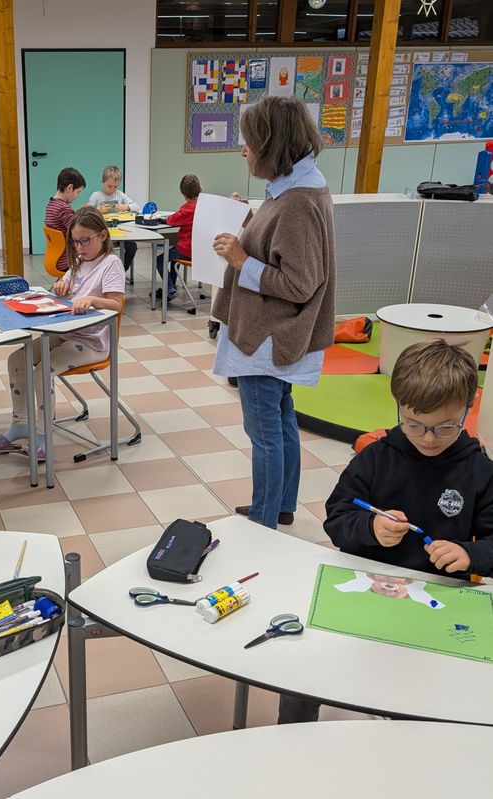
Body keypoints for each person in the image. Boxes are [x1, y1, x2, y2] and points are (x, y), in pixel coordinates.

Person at [279, 339, 493, 724]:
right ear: (398, 406)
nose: (427, 438)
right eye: (413, 424)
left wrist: (470, 555)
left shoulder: (480, 472)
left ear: (467, 408)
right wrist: (370, 528)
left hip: (434, 603)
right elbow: (337, 516)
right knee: (300, 674)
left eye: (445, 426)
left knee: (427, 699)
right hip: (363, 589)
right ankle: (291, 740)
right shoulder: (376, 457)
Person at [212, 96, 335, 530]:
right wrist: (251, 221)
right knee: (281, 423)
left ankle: (263, 523)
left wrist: (243, 260)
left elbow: (299, 283)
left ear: (272, 144)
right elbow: (285, 247)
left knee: (265, 432)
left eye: (249, 142)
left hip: (270, 335)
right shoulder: (295, 188)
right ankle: (280, 506)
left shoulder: (298, 200)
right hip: (274, 334)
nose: (243, 150)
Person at [0, 207, 126, 460]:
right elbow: (66, 288)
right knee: (16, 360)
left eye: (85, 241)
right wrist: (60, 287)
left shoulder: (110, 263)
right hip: (67, 333)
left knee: (41, 372)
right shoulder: (80, 263)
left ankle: (43, 435)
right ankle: (20, 424)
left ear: (103, 236)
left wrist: (92, 299)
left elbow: (117, 304)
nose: (79, 247)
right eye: (75, 242)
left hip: (91, 342)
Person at [89, 165, 139, 276]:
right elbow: (87, 213)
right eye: (109, 186)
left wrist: (126, 207)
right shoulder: (96, 196)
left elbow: (137, 206)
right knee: (105, 250)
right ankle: (102, 273)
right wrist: (98, 210)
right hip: (103, 233)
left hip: (120, 231)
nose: (112, 190)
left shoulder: (120, 194)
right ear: (102, 182)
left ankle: (121, 271)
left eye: (115, 187)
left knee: (132, 247)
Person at [156, 174, 201, 301]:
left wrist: (163, 219)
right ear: (200, 189)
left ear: (183, 194)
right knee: (174, 259)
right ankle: (170, 287)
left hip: (186, 249)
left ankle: (169, 289)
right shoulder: (204, 206)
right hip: (200, 251)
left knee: (160, 259)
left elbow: (172, 220)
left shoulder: (187, 209)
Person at [45, 166, 86, 273]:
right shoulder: (64, 209)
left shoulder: (51, 204)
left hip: (55, 258)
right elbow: (78, 233)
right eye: (78, 192)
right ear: (69, 188)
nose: (78, 196)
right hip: (67, 261)